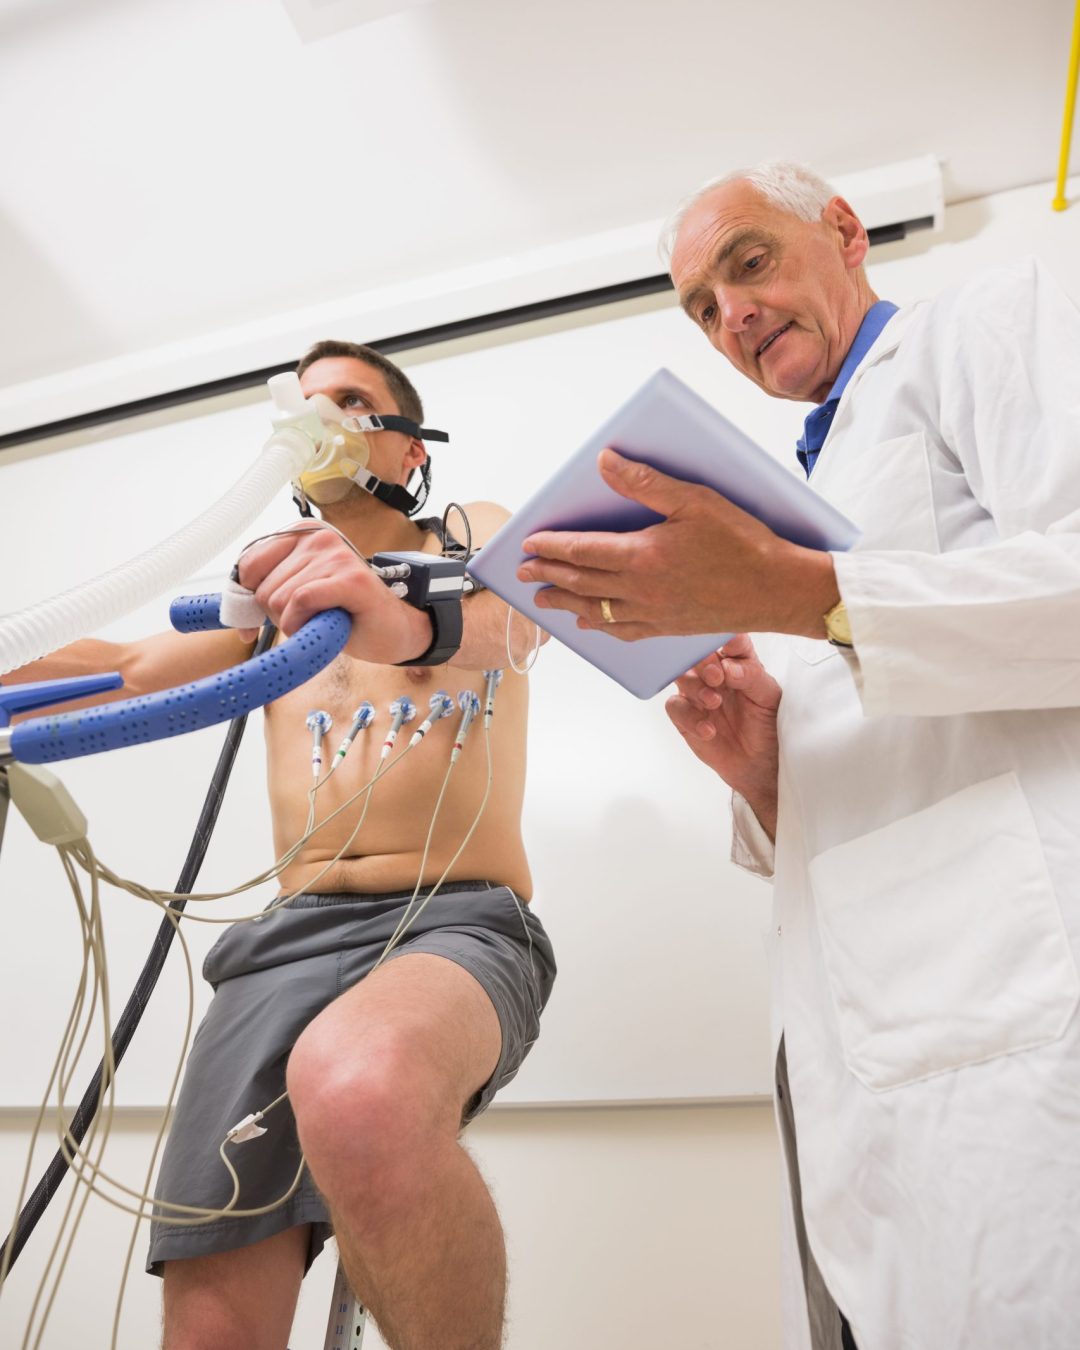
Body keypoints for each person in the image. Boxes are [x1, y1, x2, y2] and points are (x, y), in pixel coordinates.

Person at [515, 161, 1080, 1350]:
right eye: (701, 307)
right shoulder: (799, 485)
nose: (732, 314)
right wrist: (766, 770)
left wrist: (803, 589)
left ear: (845, 231)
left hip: (1007, 1005)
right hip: (859, 1018)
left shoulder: (978, 325)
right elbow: (906, 724)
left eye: (750, 263)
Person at [6, 339, 556, 1350]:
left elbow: (517, 621)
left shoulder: (470, 535)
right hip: (283, 943)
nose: (319, 419)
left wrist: (388, 613)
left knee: (362, 1087)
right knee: (212, 1326)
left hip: (452, 922)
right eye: (304, 406)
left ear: (404, 449)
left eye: (351, 401)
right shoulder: (273, 603)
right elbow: (124, 667)